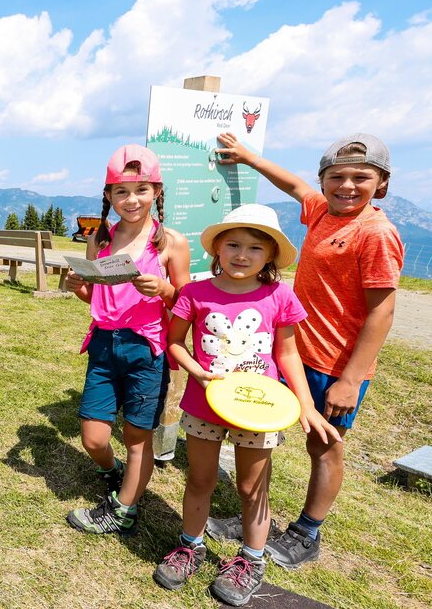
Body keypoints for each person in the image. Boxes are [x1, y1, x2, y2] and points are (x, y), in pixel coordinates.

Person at [210, 133, 404, 569]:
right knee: (263, 434)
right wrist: (250, 157)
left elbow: (382, 314)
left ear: (382, 184)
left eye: (361, 177)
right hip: (293, 352)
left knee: (323, 446)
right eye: (336, 176)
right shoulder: (321, 211)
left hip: (336, 365)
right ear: (325, 180)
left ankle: (306, 532)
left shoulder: (376, 233)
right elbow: (296, 186)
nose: (347, 186)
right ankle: (253, 518)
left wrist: (350, 380)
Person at [151, 204, 341, 606]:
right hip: (203, 407)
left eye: (255, 248)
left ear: (270, 255)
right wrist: (196, 372)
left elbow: (288, 354)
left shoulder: (279, 295)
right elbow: (174, 341)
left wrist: (305, 406)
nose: (242, 254)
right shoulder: (195, 293)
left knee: (252, 487)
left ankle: (251, 560)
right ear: (216, 249)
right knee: (200, 480)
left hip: (260, 410)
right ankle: (191, 546)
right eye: (233, 244)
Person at [64, 144, 190, 536]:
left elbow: (187, 303)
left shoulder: (172, 242)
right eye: (121, 191)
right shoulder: (101, 239)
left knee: (137, 436)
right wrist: (76, 287)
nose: (131, 199)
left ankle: (124, 510)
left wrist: (165, 289)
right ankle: (114, 472)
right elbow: (95, 295)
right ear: (108, 196)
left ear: (156, 191)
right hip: (103, 343)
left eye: (141, 189)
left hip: (146, 349)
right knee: (93, 437)